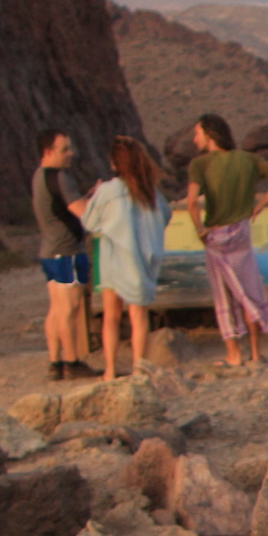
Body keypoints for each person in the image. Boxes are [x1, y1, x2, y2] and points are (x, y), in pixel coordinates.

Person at [183, 113, 268, 365]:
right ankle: (255, 352)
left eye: (197, 133)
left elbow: (191, 202)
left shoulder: (200, 164)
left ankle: (233, 354)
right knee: (248, 290)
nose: (195, 138)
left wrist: (199, 229)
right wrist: (261, 203)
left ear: (209, 135)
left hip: (216, 233)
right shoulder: (248, 160)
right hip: (240, 231)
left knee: (224, 295)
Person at [83, 136, 170, 380]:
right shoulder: (149, 191)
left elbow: (90, 223)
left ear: (114, 163)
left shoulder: (108, 191)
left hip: (113, 260)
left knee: (111, 317)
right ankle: (139, 369)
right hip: (142, 260)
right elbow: (165, 216)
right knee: (139, 317)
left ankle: (110, 369)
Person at [31, 130, 95, 379]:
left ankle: (55, 362)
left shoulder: (39, 177)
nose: (70, 154)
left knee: (56, 308)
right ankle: (73, 361)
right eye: (64, 149)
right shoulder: (59, 177)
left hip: (50, 251)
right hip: (66, 251)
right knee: (70, 307)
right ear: (48, 152)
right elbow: (80, 210)